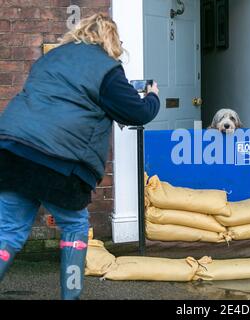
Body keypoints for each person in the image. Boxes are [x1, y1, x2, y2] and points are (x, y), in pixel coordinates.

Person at [0, 13, 160, 300]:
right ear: (110, 39)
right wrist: (152, 96)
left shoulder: (51, 59)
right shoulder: (107, 69)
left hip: (13, 149)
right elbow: (137, 113)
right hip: (60, 161)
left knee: (8, 232)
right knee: (74, 226)